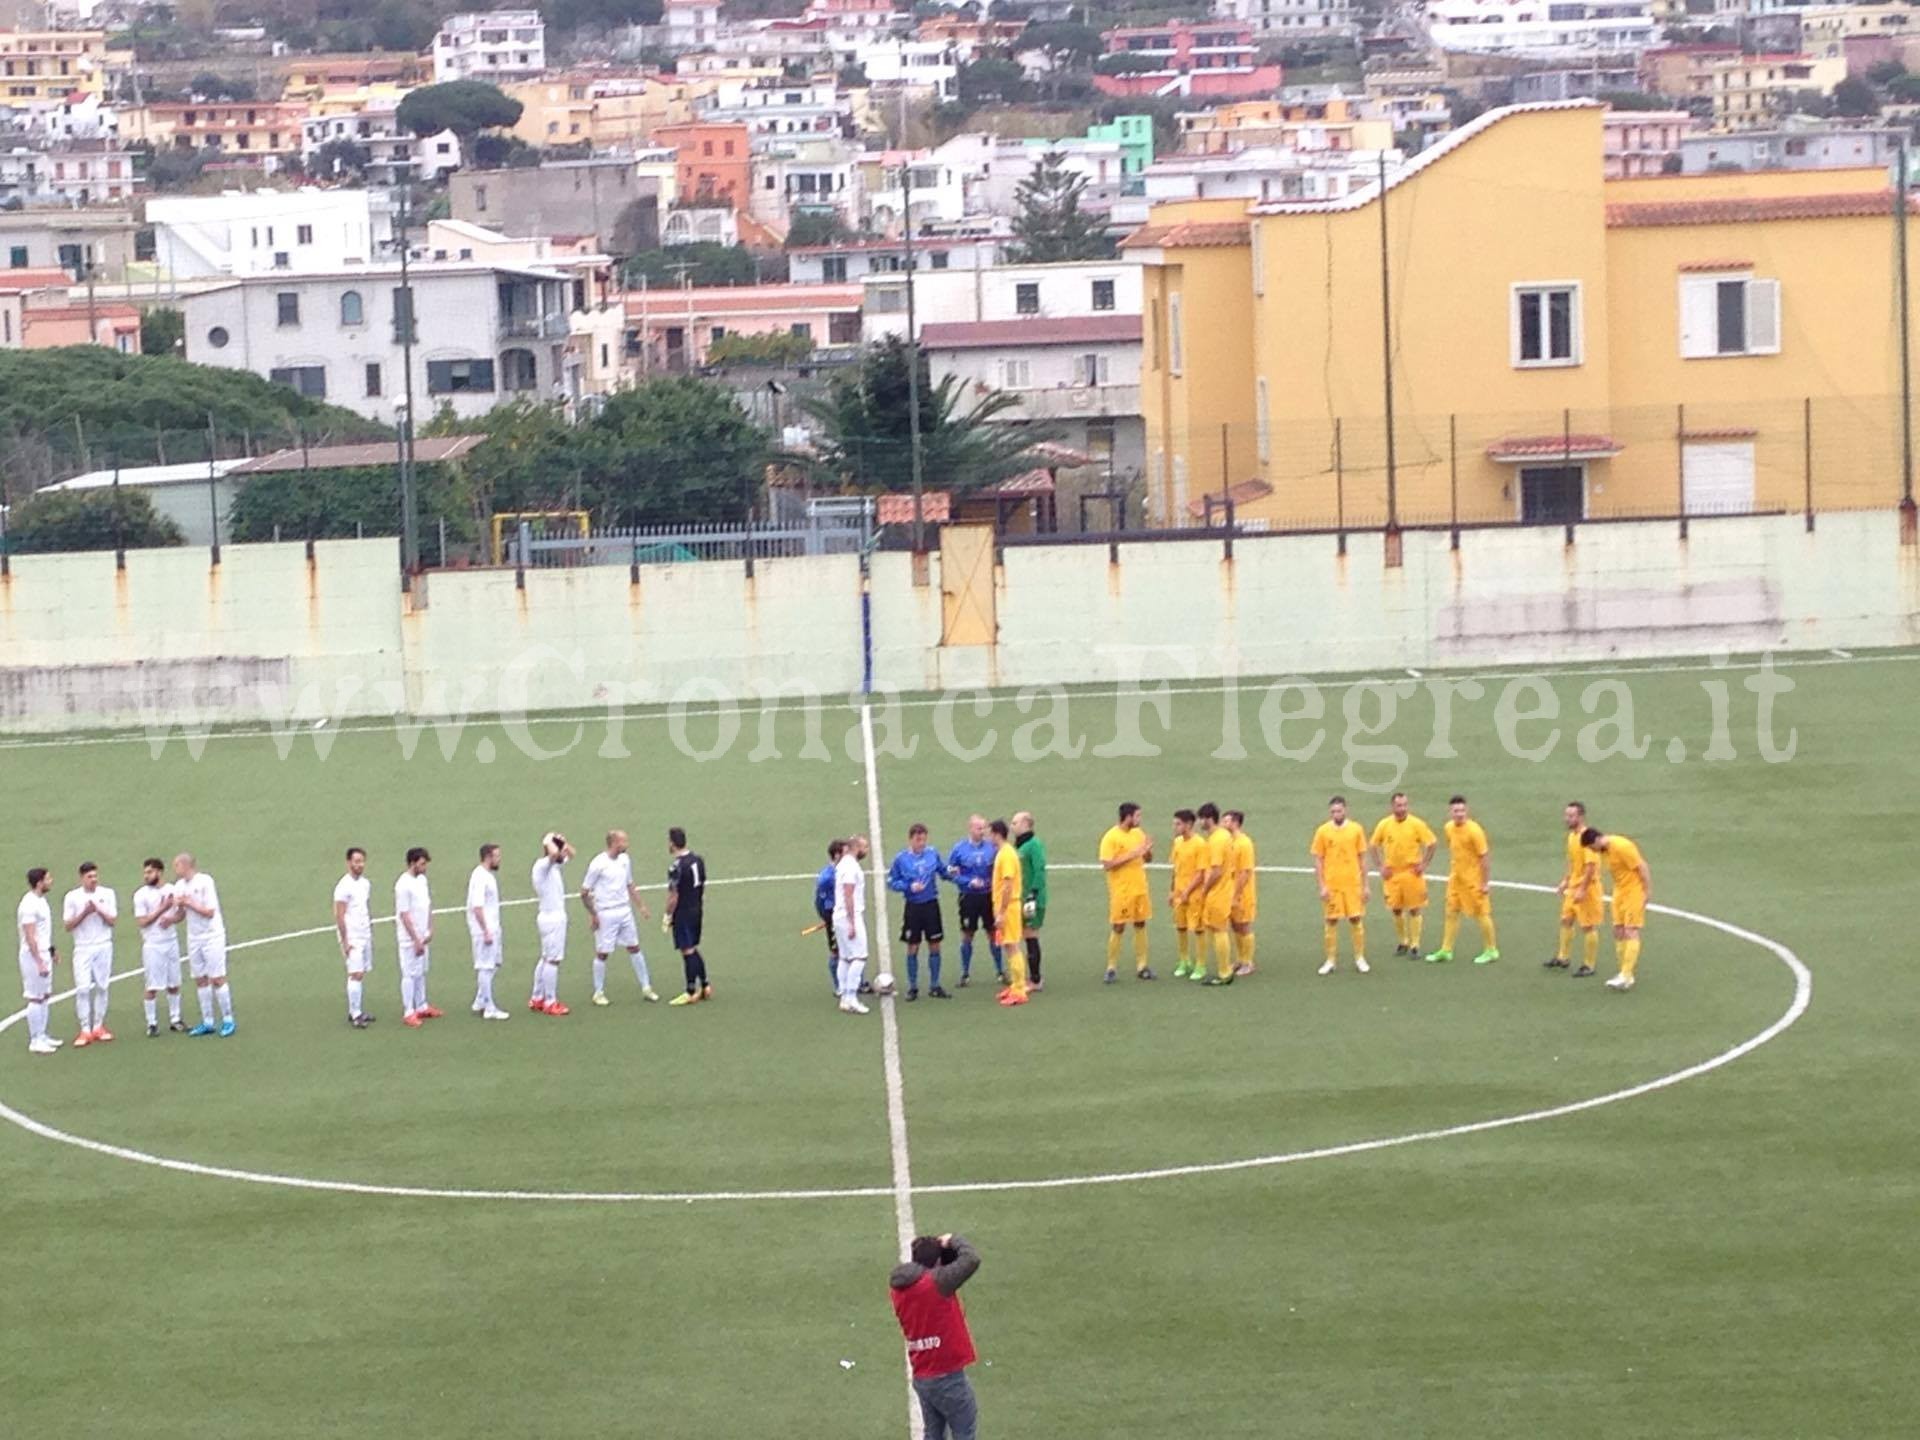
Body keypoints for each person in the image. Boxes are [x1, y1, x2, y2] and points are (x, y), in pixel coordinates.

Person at [890, 1233, 983, 1440]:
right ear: (937, 1262)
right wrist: (953, 1240)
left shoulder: (899, 1290)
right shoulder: (936, 1283)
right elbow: (971, 1259)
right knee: (964, 1431)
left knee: (933, 1433)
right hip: (947, 1376)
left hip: (923, 1375)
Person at [582, 829, 657, 1006]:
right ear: (614, 843)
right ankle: (598, 992)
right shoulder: (598, 864)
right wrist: (593, 914)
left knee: (634, 947)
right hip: (606, 913)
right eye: (624, 841)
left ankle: (646, 987)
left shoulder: (625, 860)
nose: (627, 844)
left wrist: (641, 906)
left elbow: (630, 884)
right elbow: (584, 892)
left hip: (624, 911)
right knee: (603, 953)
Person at [1430, 796, 1499, 965]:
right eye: (1456, 811)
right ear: (1450, 812)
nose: (1459, 814)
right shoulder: (1448, 828)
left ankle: (1491, 950)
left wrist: (1484, 882)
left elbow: (1484, 857)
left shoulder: (1475, 831)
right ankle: (1446, 949)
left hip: (1473, 879)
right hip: (1456, 877)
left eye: (1462, 810)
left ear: (1466, 811)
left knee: (1481, 913)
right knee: (1451, 911)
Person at [1583, 828, 1651, 992]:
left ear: (1598, 839)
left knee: (1631, 930)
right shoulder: (1605, 851)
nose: (1593, 851)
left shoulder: (1622, 846)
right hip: (1619, 891)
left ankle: (1626, 974)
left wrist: (1647, 891)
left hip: (1633, 890)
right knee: (1618, 930)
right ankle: (1625, 973)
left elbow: (1642, 866)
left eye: (1593, 847)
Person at [1370, 793, 1436, 960]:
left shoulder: (1416, 824)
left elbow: (1432, 843)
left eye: (1404, 805)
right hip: (1392, 874)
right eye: (1398, 805)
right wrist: (1380, 866)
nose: (1402, 809)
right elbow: (1373, 845)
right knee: (1396, 909)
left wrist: (1424, 865)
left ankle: (1415, 945)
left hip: (1411, 873)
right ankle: (1403, 941)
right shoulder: (1384, 824)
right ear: (1392, 807)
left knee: (1415, 908)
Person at [174, 853, 234, 1037]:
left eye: (177, 865)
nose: (175, 870)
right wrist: (170, 917)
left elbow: (208, 912)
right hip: (194, 937)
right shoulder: (178, 886)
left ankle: (228, 1019)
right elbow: (181, 915)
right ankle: (207, 1021)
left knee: (217, 978)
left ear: (186, 865)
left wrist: (188, 902)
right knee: (200, 979)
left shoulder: (205, 882)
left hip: (212, 936)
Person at [1310, 797, 1371, 976]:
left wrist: (1366, 885)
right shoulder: (1323, 831)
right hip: (1333, 884)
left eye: (1339, 811)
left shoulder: (1356, 829)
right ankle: (1330, 960)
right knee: (1331, 920)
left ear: (1345, 810)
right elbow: (1318, 860)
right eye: (1333, 812)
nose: (1336, 814)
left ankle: (1360, 958)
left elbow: (1362, 858)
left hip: (1352, 884)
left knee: (1355, 919)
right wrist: (1322, 885)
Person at [888, 824, 948, 1001]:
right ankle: (913, 987)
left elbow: (943, 872)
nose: (921, 843)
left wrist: (953, 872)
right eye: (918, 839)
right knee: (912, 946)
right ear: (911, 839)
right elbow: (891, 881)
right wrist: (908, 886)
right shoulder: (901, 859)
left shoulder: (932, 853)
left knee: (935, 944)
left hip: (931, 905)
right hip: (913, 907)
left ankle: (935, 985)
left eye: (924, 839)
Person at [62, 861, 118, 1046]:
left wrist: (99, 911)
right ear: (82, 878)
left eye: (95, 876)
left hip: (103, 945)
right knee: (83, 988)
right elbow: (68, 926)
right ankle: (85, 1029)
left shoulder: (107, 894)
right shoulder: (72, 897)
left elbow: (112, 920)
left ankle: (98, 1026)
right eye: (89, 877)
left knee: (102, 986)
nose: (93, 880)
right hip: (83, 947)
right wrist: (85, 912)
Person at [1098, 801, 1154, 983]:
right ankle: (1111, 967)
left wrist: (1146, 851)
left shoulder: (1138, 833)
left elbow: (1148, 859)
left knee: (1140, 924)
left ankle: (1142, 966)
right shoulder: (1111, 837)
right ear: (1128, 817)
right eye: (1137, 816)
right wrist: (1134, 853)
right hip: (1121, 891)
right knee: (1119, 926)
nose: (1140, 819)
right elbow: (1107, 864)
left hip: (1140, 888)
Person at [945, 816, 1001, 988]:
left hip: (988, 896)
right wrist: (967, 882)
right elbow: (950, 873)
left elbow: (999, 870)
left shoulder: (993, 848)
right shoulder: (959, 849)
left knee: (993, 933)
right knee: (968, 934)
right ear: (970, 828)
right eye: (978, 828)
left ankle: (1000, 971)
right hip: (968, 897)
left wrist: (992, 883)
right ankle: (965, 973)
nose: (982, 831)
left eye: (984, 828)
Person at [1549, 802, 1603, 978]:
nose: (1567, 819)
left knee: (1588, 926)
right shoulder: (1571, 837)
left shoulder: (1586, 838)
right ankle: (1563, 957)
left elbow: (1591, 867)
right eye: (1566, 815)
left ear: (1580, 817)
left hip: (1587, 889)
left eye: (1571, 816)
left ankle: (1589, 964)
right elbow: (1572, 862)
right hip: (1573, 886)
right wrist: (1566, 881)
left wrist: (1582, 889)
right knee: (1566, 920)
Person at [135, 857, 185, 1036]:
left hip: (171, 942)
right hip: (153, 945)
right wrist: (162, 909)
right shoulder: (140, 895)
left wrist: (172, 918)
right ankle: (152, 1023)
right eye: (145, 872)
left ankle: (175, 1019)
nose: (146, 876)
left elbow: (181, 914)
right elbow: (142, 921)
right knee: (152, 986)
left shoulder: (173, 890)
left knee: (174, 983)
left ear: (159, 872)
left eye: (149, 872)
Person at [664, 827, 711, 1006]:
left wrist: (668, 915)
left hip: (683, 912)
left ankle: (690, 991)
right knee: (692, 947)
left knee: (687, 950)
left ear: (672, 843)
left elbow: (673, 896)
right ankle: (705, 985)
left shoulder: (676, 866)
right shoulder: (697, 860)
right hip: (697, 908)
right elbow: (703, 885)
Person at [529, 832, 574, 1015]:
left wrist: (563, 842)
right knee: (553, 961)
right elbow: (555, 855)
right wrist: (548, 840)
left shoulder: (554, 866)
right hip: (552, 918)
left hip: (551, 917)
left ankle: (537, 997)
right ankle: (550, 1001)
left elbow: (571, 854)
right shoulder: (542, 866)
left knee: (546, 958)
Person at [18, 867, 61, 1056]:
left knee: (44, 995)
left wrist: (51, 951)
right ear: (39, 882)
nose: (51, 881)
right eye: (48, 878)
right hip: (32, 956)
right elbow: (30, 936)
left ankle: (42, 1035)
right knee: (35, 997)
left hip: (43, 953)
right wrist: (39, 961)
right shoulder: (28, 905)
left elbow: (43, 933)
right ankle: (35, 1039)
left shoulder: (41, 901)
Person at [394, 847, 438, 1028]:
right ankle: (408, 1011)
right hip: (409, 939)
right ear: (412, 863)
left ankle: (422, 1005)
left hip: (422, 935)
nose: (424, 866)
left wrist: (429, 928)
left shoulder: (422, 880)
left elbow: (427, 905)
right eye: (422, 863)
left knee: (421, 971)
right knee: (409, 974)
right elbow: (404, 915)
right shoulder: (402, 885)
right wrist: (415, 939)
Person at [333, 847, 376, 1029]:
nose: (360, 865)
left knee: (362, 972)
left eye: (362, 861)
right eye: (356, 861)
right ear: (349, 862)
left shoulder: (365, 884)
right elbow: (339, 915)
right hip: (352, 936)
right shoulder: (343, 886)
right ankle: (355, 1013)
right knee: (355, 974)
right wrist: (345, 941)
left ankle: (357, 1010)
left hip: (364, 933)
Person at [1195, 802, 1236, 985]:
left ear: (1209, 819)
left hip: (1218, 892)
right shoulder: (1222, 836)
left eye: (1201, 819)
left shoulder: (1217, 840)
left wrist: (1204, 889)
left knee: (1219, 930)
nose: (1200, 823)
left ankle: (1224, 972)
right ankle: (1223, 968)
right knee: (1215, 929)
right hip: (1223, 890)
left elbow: (1217, 871)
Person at [468, 843, 509, 1021]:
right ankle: (489, 1007)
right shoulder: (480, 877)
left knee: (494, 964)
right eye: (497, 856)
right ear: (488, 857)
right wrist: (485, 931)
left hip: (492, 927)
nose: (499, 859)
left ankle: (480, 1000)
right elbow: (477, 907)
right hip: (485, 930)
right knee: (485, 966)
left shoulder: (486, 875)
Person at [991, 818, 1030, 1007]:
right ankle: (1015, 985)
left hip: (1009, 907)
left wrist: (1001, 912)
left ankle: (1020, 989)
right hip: (1007, 907)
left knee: (1013, 946)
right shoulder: (1004, 852)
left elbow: (1007, 885)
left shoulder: (1006, 854)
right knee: (1008, 945)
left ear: (997, 834)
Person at [834, 835, 871, 1015]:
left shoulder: (842, 864)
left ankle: (844, 996)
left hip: (839, 915)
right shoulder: (850, 867)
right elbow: (849, 894)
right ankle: (851, 997)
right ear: (857, 848)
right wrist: (851, 923)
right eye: (865, 847)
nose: (867, 850)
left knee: (845, 957)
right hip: (849, 915)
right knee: (859, 957)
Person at [1168, 809, 1207, 979]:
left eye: (1178, 824)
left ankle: (1201, 964)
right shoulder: (1177, 842)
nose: (1175, 827)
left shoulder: (1200, 844)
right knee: (1180, 927)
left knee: (1198, 929)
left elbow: (1201, 873)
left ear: (1189, 825)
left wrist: (1187, 892)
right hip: (1179, 892)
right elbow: (1175, 869)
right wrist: (1172, 891)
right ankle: (1184, 960)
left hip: (1194, 893)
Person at [1013, 811, 1048, 993]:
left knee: (1030, 935)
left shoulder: (1034, 845)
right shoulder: (1021, 844)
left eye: (1015, 822)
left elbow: (1040, 869)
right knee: (1027, 935)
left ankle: (1036, 979)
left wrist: (1033, 893)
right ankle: (1033, 977)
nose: (1013, 826)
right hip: (1023, 898)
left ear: (1026, 824)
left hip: (1031, 899)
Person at [1224, 810, 1258, 977]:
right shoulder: (1229, 842)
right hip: (1230, 891)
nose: (1224, 824)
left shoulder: (1244, 843)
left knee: (1244, 926)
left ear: (1235, 822)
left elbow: (1245, 872)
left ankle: (1248, 962)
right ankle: (1240, 959)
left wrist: (1236, 895)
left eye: (1227, 821)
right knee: (1235, 925)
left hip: (1243, 893)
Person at [815, 840, 844, 997]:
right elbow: (820, 901)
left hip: (847, 916)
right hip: (834, 918)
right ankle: (838, 986)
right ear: (837, 855)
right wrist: (827, 919)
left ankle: (858, 982)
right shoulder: (826, 878)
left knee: (853, 948)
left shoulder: (844, 871)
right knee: (836, 952)